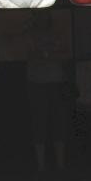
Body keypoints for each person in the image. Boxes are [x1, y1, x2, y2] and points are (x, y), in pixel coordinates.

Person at [24, 13, 73, 171]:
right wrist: (50, 55)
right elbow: (31, 55)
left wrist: (47, 55)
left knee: (58, 121)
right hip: (37, 83)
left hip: (56, 83)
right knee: (39, 122)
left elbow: (65, 54)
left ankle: (60, 163)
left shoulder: (58, 34)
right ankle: (41, 165)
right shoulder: (30, 35)